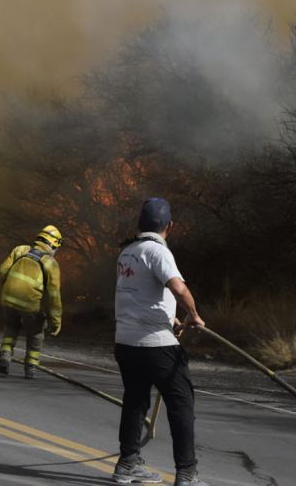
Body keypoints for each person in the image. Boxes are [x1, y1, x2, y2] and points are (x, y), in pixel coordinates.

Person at [111, 198, 208, 486]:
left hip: (126, 342)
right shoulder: (158, 251)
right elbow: (178, 287)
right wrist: (193, 315)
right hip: (156, 346)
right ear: (170, 226)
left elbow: (138, 295)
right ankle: (187, 473)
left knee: (135, 401)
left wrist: (172, 319)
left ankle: (127, 463)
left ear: (139, 224)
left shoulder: (127, 252)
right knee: (181, 404)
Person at [0, 225, 63, 380]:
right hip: (30, 304)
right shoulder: (50, 263)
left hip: (8, 299)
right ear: (53, 244)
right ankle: (30, 367)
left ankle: (5, 356)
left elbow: (2, 271)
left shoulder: (20, 250)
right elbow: (54, 295)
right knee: (36, 333)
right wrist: (56, 321)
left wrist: (7, 289)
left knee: (11, 327)